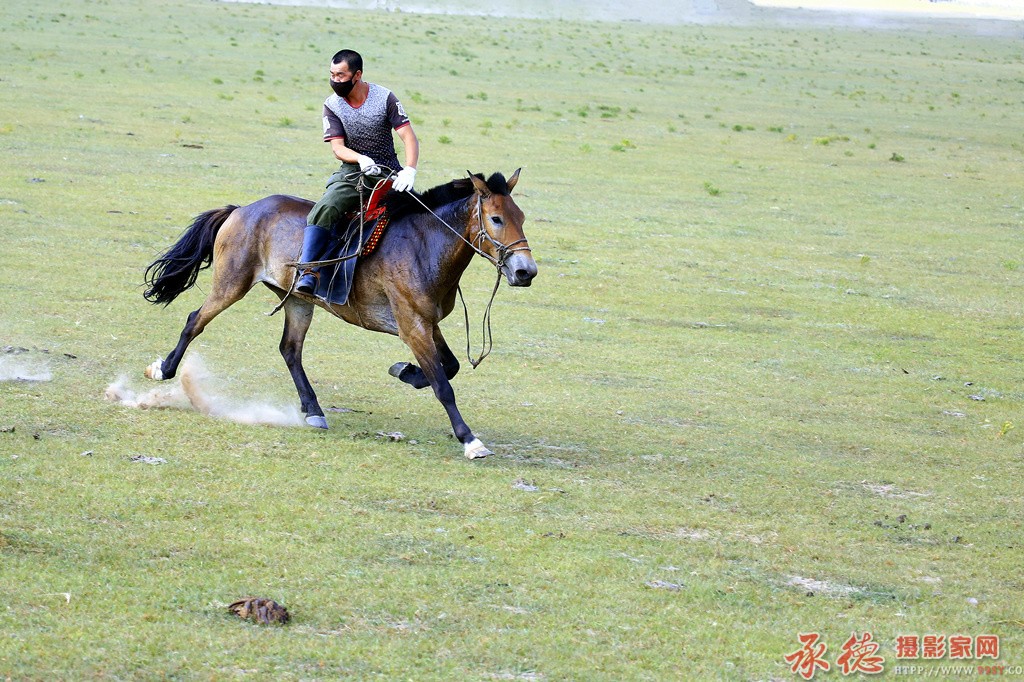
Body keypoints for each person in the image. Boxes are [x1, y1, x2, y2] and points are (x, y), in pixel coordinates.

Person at [295, 49, 420, 295]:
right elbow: (338, 148)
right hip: (353, 172)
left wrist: (409, 170)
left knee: (419, 213)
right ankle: (308, 270)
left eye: (341, 75)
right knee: (327, 207)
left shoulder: (385, 98)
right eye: (332, 74)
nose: (335, 80)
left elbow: (408, 137)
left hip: (389, 172)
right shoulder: (331, 105)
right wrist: (361, 158)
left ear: (357, 74)